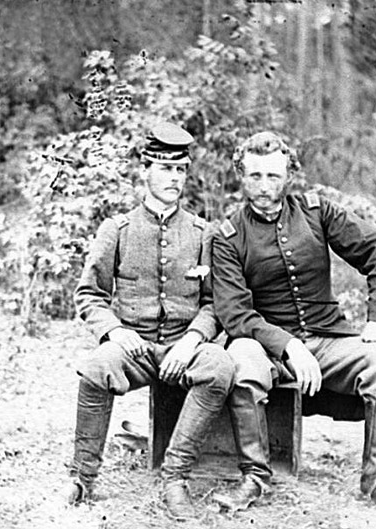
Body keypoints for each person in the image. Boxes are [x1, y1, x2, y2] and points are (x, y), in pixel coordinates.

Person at [210, 131, 376, 517]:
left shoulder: (318, 212)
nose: (264, 187)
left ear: (289, 176)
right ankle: (254, 476)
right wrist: (288, 345)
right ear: (241, 175)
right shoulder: (227, 236)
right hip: (270, 349)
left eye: (273, 176)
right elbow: (235, 314)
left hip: (329, 341)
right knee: (241, 356)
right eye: (254, 176)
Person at [62, 122, 234, 521]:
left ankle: (175, 477)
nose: (174, 178)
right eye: (165, 168)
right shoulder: (117, 230)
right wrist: (116, 332)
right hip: (133, 347)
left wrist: (193, 339)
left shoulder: (201, 232)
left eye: (181, 170)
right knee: (94, 368)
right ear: (145, 170)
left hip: (183, 347)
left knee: (221, 367)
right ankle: (83, 477)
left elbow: (214, 304)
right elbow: (89, 295)